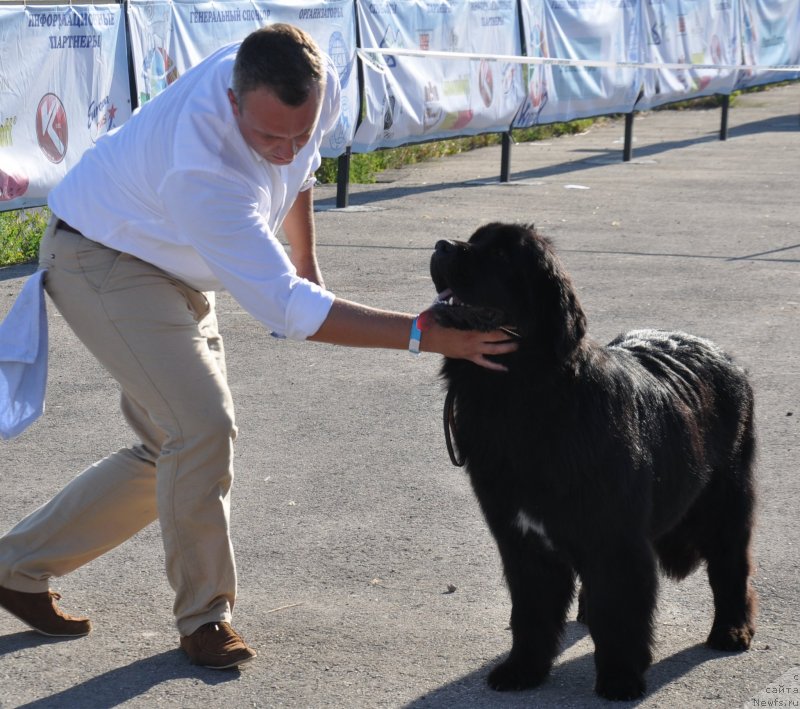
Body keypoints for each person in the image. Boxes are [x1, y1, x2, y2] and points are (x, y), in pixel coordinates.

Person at [0, 24, 515, 669]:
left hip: (179, 264)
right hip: (104, 260)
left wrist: (306, 257)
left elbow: (303, 170)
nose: (285, 148)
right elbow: (285, 310)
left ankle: (14, 568)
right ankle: (205, 619)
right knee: (201, 430)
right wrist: (423, 334)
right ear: (233, 99)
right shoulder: (202, 168)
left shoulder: (306, 90)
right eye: (269, 135)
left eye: (299, 130)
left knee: (175, 445)